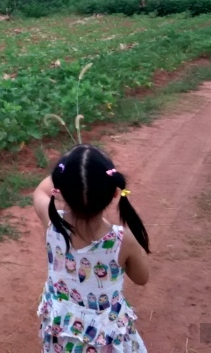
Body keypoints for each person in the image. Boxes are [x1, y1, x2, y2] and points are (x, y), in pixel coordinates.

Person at [32, 144, 150, 353]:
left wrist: (70, 170)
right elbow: (142, 278)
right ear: (115, 193)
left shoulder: (52, 223)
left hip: (62, 336)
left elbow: (40, 190)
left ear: (61, 190)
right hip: (106, 340)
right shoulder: (123, 240)